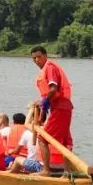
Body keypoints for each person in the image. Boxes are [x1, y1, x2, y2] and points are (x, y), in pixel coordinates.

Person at [30, 46, 73, 176]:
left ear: (45, 56)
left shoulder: (49, 67)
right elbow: (48, 98)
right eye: (34, 58)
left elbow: (53, 89)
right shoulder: (47, 68)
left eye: (39, 57)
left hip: (60, 107)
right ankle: (67, 172)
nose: (37, 60)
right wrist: (42, 113)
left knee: (42, 139)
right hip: (63, 107)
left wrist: (44, 102)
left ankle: (46, 170)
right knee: (65, 142)